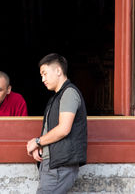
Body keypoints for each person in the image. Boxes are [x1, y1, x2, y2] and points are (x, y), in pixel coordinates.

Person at [26, 53, 87, 194]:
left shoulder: (69, 93)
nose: (43, 79)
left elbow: (64, 129)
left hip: (59, 166)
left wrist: (37, 142)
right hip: (52, 164)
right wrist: (41, 146)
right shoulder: (57, 97)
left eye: (45, 73)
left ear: (58, 71)